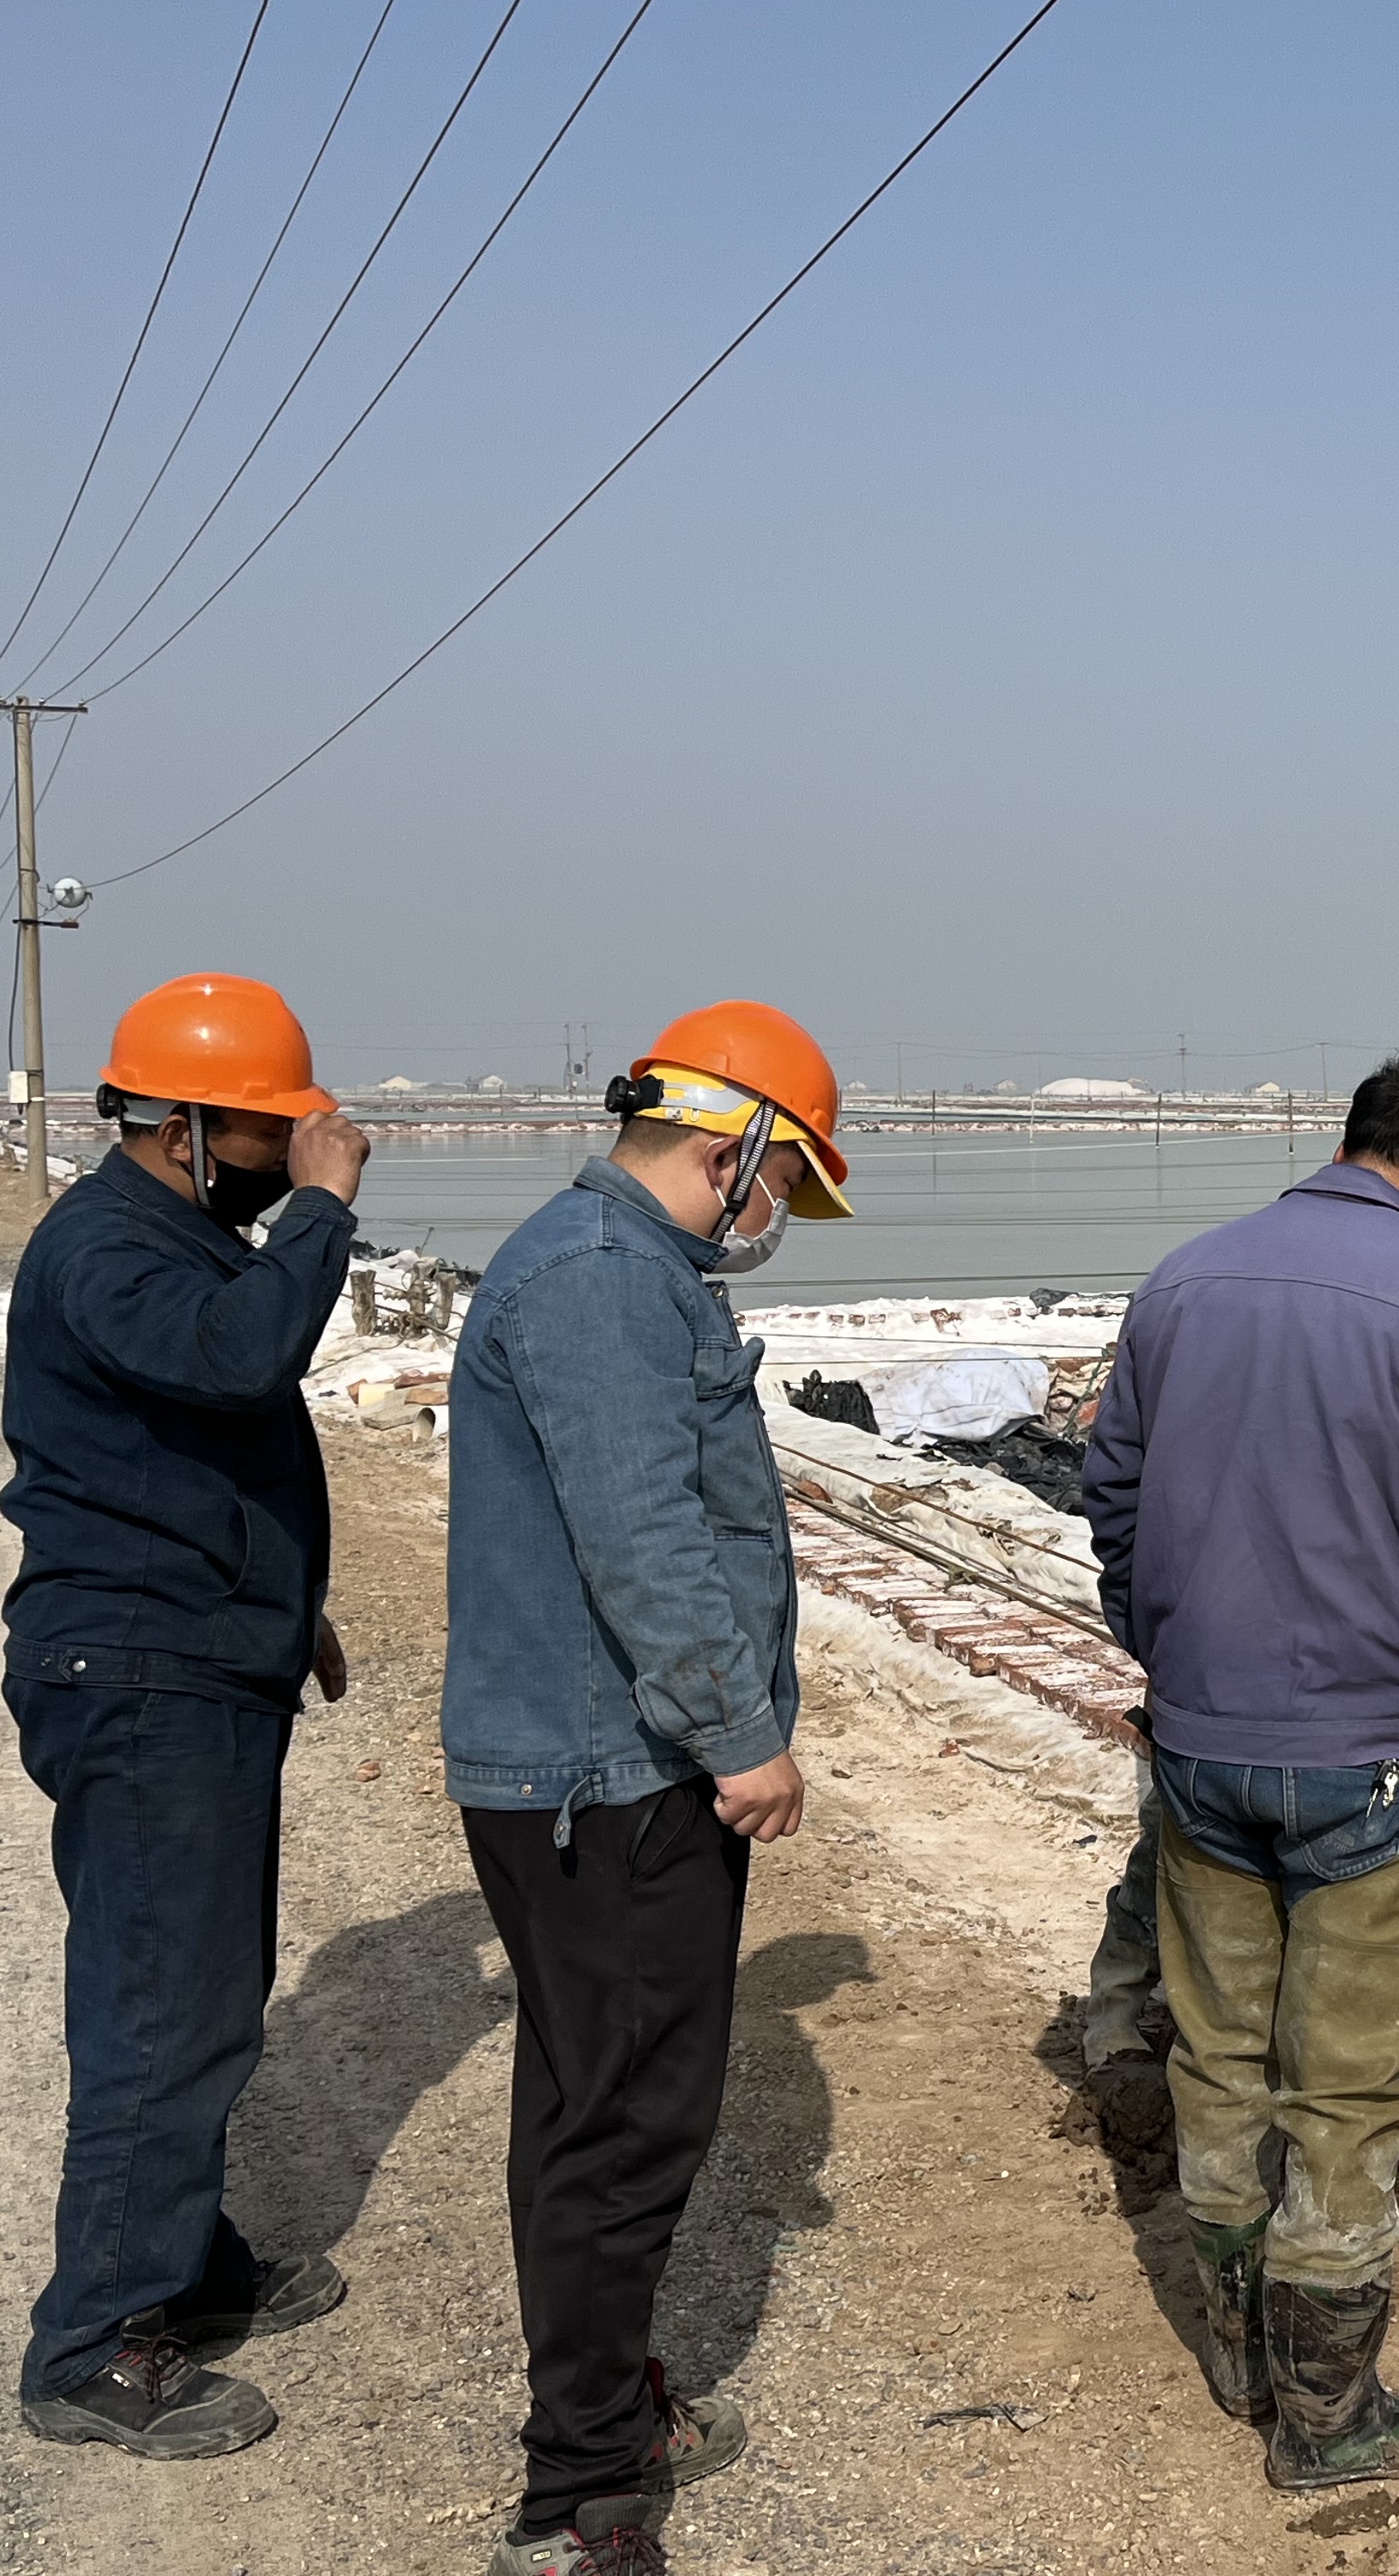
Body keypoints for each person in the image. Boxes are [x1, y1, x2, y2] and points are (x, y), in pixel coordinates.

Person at [1082, 1056, 1399, 2492]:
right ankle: (1326, 2416)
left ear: (1349, 1143)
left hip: (1202, 1748)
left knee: (1221, 2055)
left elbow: (1113, 1496)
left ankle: (1240, 2352)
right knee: (1348, 2090)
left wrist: (1165, 1642)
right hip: (1379, 1763)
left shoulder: (1184, 1282)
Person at [439, 1001, 852, 2576]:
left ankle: (606, 2405)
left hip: (595, 1766)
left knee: (589, 2101)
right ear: (732, 1143)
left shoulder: (611, 1266)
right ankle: (579, 2498)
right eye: (785, 1178)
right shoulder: (608, 1279)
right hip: (612, 1776)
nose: (779, 1212)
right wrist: (738, 1734)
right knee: (623, 2125)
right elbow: (645, 1538)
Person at [1, 973, 372, 2458]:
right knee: (161, 2008)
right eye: (274, 1133)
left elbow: (180, 1453)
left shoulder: (164, 1237)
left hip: (189, 1650)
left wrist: (286, 1604)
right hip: (145, 1676)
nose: (295, 1151)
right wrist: (323, 1212)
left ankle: (181, 2258)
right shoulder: (108, 1247)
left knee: (200, 1991)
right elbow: (240, 1361)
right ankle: (95, 2340)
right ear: (184, 1131)